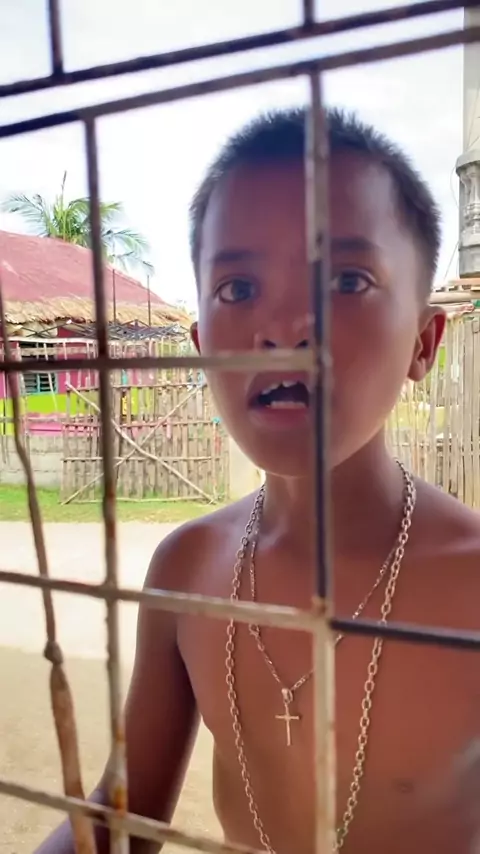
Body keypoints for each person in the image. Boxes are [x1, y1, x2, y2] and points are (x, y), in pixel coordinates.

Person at [37, 107, 480, 854]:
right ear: (203, 347)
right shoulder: (186, 570)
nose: (284, 327)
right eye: (238, 288)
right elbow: (125, 812)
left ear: (424, 340)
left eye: (345, 279)